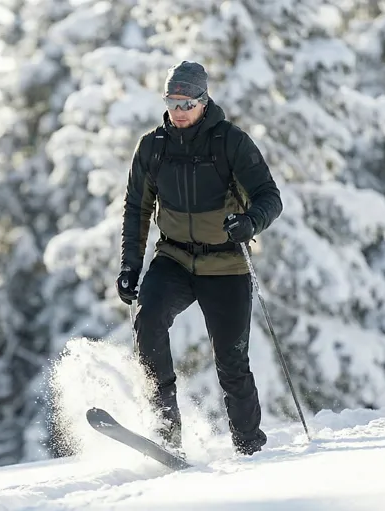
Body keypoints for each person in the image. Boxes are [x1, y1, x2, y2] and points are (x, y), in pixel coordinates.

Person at [116, 61, 283, 457]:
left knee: (231, 361)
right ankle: (166, 432)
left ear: (204, 101)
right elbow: (137, 208)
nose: (178, 111)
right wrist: (130, 265)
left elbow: (270, 197)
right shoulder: (153, 147)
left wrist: (250, 222)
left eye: (186, 104)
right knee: (148, 321)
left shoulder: (230, 142)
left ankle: (249, 446)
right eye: (171, 103)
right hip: (174, 258)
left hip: (226, 264)